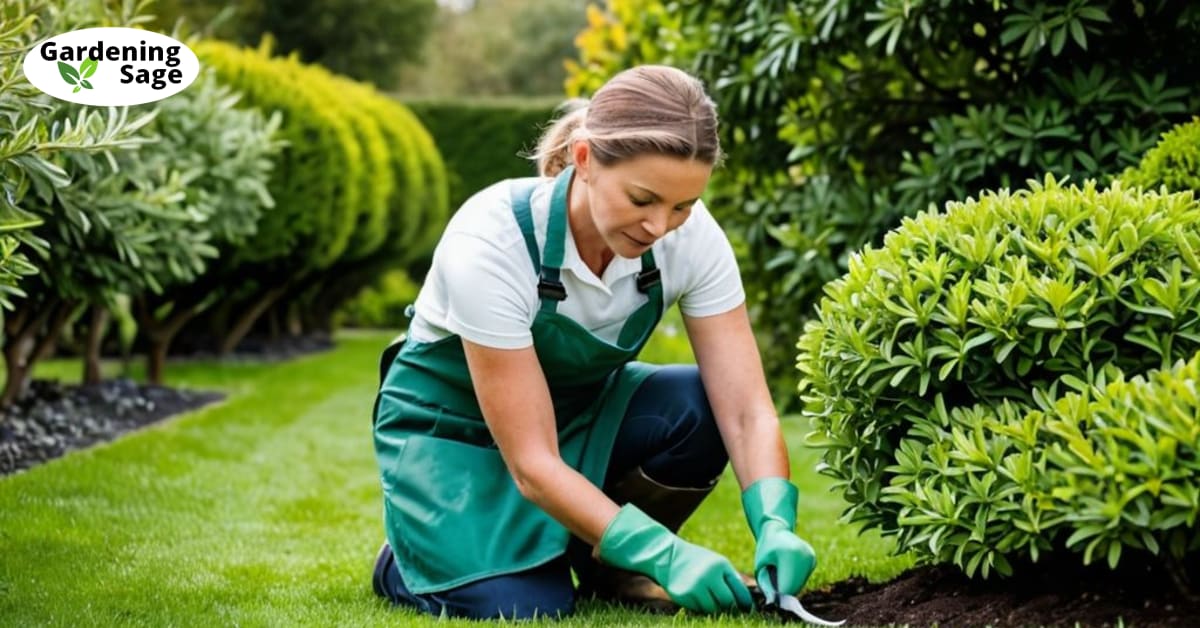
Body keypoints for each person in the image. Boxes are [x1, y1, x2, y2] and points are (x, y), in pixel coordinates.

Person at [370, 64, 817, 620]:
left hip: (576, 417)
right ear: (584, 160)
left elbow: (747, 410)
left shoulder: (691, 237)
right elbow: (533, 461)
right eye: (643, 198)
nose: (661, 226)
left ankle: (614, 570)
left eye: (681, 206)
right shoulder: (491, 241)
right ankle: (404, 559)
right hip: (454, 434)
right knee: (525, 606)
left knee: (699, 404)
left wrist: (776, 521)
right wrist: (666, 552)